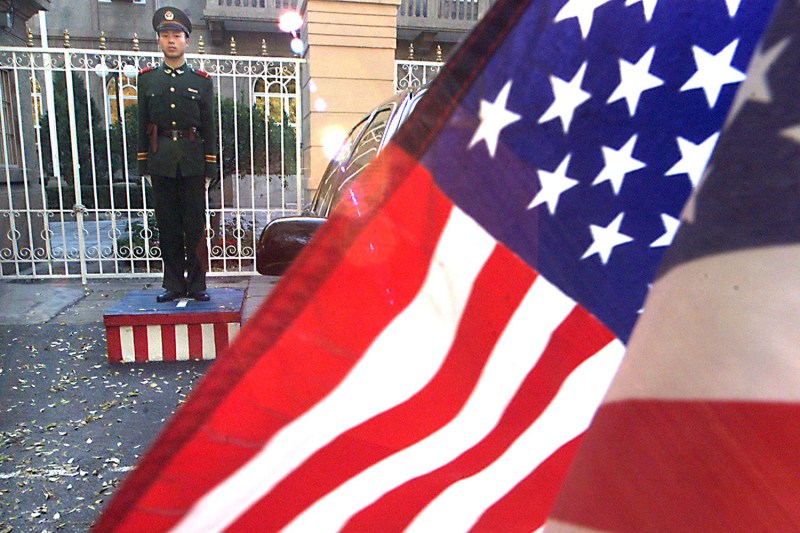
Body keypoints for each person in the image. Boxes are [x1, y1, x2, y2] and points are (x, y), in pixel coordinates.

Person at [137, 6, 217, 303]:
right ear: (159, 40)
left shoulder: (200, 81)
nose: (171, 41)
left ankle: (196, 285)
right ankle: (173, 283)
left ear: (187, 41)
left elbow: (209, 126)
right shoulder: (147, 80)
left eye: (177, 35)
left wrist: (210, 167)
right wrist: (143, 164)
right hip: (161, 161)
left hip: (193, 160)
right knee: (168, 225)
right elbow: (141, 124)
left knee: (195, 226)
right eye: (165, 35)